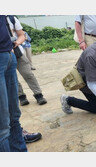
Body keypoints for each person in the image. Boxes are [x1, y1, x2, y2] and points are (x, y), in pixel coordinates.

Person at [6, 15, 47, 106]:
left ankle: (38, 95)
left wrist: (16, 43)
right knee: (12, 78)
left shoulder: (11, 18)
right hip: (4, 55)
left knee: (28, 74)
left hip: (17, 52)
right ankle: (21, 97)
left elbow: (21, 35)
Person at [0, 15, 27, 152]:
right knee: (2, 125)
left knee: (14, 116)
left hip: (9, 55)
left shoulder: (9, 16)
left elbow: (21, 35)